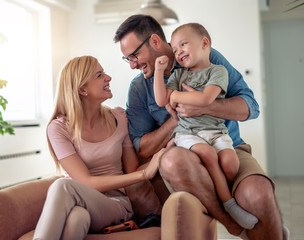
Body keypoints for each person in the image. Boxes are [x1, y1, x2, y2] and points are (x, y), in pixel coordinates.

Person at [114, 15, 289, 240]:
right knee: (172, 160)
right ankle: (231, 222)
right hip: (185, 153)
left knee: (258, 193)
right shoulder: (139, 87)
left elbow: (250, 108)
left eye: (134, 55)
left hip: (227, 146)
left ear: (155, 42)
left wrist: (205, 106)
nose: (132, 64)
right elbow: (143, 149)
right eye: (126, 59)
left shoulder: (207, 59)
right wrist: (174, 122)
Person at [33, 56, 164, 240]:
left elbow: (131, 169)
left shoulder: (118, 117)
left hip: (115, 204)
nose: (108, 78)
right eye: (99, 75)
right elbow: (85, 182)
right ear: (82, 89)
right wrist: (144, 174)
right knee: (77, 218)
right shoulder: (59, 128)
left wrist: (162, 153)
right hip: (77, 202)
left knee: (62, 186)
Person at [154, 22, 258, 230]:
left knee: (230, 163)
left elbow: (206, 100)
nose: (178, 52)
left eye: (183, 44)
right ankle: (229, 205)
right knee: (209, 155)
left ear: (204, 43)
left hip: (217, 131)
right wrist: (158, 71)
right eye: (175, 49)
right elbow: (160, 100)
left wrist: (174, 95)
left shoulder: (218, 71)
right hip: (188, 133)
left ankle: (216, 196)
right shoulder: (178, 75)